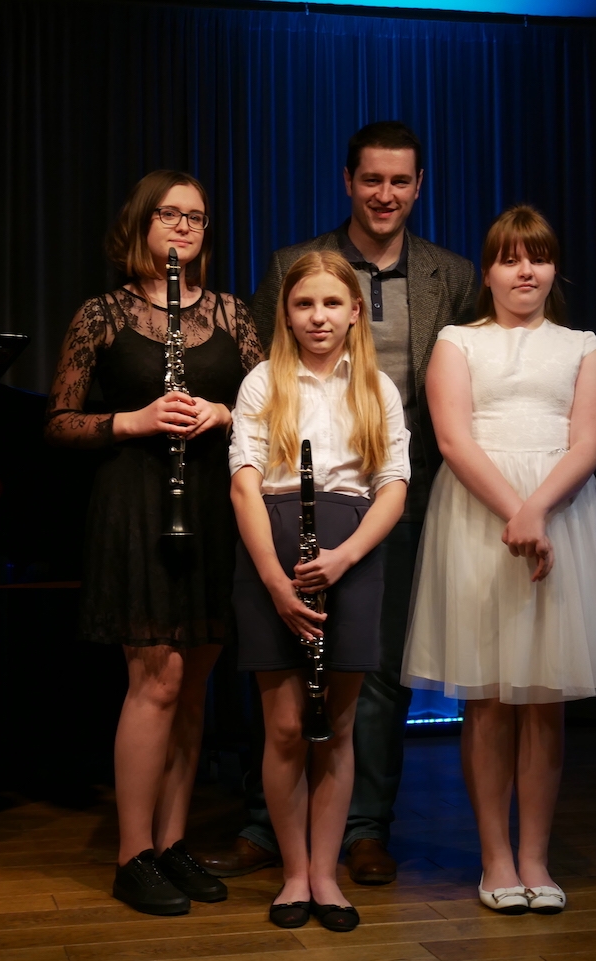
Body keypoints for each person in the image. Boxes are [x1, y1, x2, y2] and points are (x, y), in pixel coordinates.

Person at [201, 121, 476, 885]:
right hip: (291, 491)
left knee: (378, 670)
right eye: (371, 179)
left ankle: (364, 828)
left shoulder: (452, 274)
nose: (385, 194)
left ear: (419, 187)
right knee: (282, 665)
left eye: (400, 181)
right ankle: (267, 825)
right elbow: (262, 367)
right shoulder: (293, 263)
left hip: (397, 492)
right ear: (349, 181)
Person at [44, 170, 263, 916]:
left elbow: (270, 408)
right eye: (169, 214)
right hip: (137, 506)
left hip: (213, 505)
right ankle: (132, 854)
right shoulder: (102, 315)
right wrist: (131, 421)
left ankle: (172, 844)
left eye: (195, 217)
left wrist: (224, 414)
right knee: (156, 681)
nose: (183, 227)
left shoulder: (232, 314)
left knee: (194, 684)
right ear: (141, 224)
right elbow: (58, 423)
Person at [401, 205, 596, 915]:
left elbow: (588, 444)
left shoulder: (583, 346)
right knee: (490, 697)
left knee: (544, 698)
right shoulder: (457, 341)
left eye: (539, 257)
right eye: (510, 258)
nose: (525, 270)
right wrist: (513, 510)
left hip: (560, 513)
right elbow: (453, 438)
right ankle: (496, 858)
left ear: (554, 268)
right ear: (489, 271)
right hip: (478, 514)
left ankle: (536, 858)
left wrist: (538, 510)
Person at [229, 251, 409, 931]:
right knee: (282, 726)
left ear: (355, 311)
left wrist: (346, 556)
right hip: (273, 552)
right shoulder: (261, 382)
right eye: (304, 304)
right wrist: (275, 581)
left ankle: (327, 875)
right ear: (286, 313)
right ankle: (295, 874)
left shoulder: (377, 388)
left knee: (337, 726)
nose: (319, 317)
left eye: (333, 303)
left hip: (349, 556)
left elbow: (393, 485)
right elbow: (244, 483)